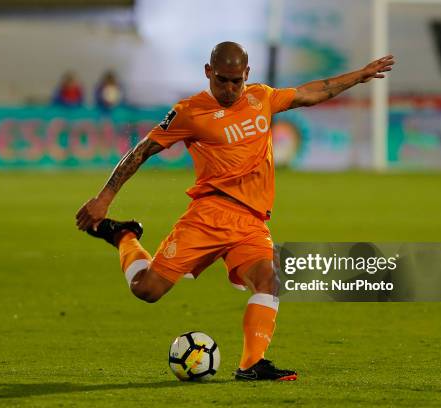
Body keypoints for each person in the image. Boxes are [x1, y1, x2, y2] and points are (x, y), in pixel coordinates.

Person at [75, 42, 394, 381]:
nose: (228, 89)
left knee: (268, 281)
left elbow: (310, 92)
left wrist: (358, 76)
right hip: (210, 216)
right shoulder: (189, 112)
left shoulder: (262, 98)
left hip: (252, 222)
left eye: (235, 81)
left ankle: (251, 365)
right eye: (221, 80)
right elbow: (141, 151)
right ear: (208, 72)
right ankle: (123, 235)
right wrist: (104, 198)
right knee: (147, 290)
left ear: (247, 75)